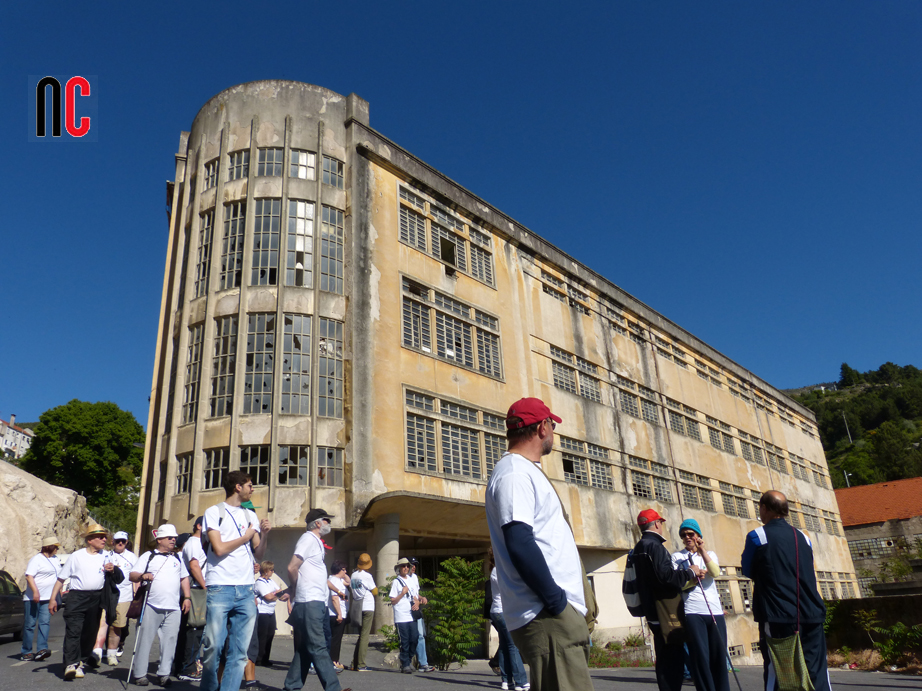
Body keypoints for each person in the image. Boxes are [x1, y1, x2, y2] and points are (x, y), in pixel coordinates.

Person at [484, 397, 592, 691]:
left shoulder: (521, 471)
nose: (553, 433)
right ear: (543, 427)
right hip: (547, 614)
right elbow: (520, 542)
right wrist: (557, 603)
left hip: (550, 614)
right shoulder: (515, 473)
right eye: (553, 426)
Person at [741, 491, 830, 691]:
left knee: (779, 673)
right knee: (816, 672)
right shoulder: (804, 537)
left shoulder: (758, 536)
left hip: (778, 616)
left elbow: (747, 570)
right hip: (812, 614)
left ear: (764, 508)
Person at [200, 471, 271, 691]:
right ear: (237, 487)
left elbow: (258, 554)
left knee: (240, 652)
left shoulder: (250, 515)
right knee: (214, 646)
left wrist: (264, 533)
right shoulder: (214, 512)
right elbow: (219, 549)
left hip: (246, 589)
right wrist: (246, 536)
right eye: (250, 485)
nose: (253, 489)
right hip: (220, 587)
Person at [631, 509, 703, 691]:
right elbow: (667, 578)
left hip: (651, 610)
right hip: (665, 612)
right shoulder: (655, 547)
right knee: (673, 661)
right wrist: (690, 571)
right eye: (661, 523)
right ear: (656, 524)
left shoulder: (639, 547)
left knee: (663, 660)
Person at [285, 508, 351, 691]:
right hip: (309, 601)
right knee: (319, 647)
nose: (329, 523)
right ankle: (334, 688)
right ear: (317, 523)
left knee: (305, 649)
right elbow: (292, 567)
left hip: (316, 602)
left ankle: (291, 686)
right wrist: (295, 589)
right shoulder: (308, 539)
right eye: (326, 520)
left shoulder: (316, 542)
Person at [49, 524, 124, 680]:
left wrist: (113, 570)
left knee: (89, 633)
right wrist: (53, 599)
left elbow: (118, 578)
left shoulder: (107, 556)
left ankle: (80, 662)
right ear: (90, 540)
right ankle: (71, 664)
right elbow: (61, 579)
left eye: (105, 536)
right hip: (77, 597)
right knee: (74, 631)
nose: (104, 539)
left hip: (96, 598)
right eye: (100, 537)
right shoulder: (77, 556)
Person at [129, 524, 191, 687]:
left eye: (174, 537)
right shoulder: (148, 556)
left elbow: (184, 578)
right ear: (159, 539)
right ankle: (140, 674)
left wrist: (187, 597)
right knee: (144, 640)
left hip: (173, 607)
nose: (173, 540)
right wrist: (143, 575)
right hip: (151, 604)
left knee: (170, 640)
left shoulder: (178, 558)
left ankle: (164, 674)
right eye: (170, 537)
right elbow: (132, 575)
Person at [671, 519, 728, 691]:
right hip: (693, 611)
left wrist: (702, 550)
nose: (687, 537)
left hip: (714, 611)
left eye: (691, 534)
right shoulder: (677, 557)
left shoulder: (709, 553)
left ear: (698, 536)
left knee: (719, 656)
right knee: (701, 658)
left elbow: (715, 573)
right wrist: (693, 580)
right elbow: (678, 585)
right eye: (684, 535)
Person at [19, 536, 62, 661]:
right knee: (30, 624)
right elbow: (29, 576)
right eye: (55, 547)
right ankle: (26, 651)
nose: (57, 549)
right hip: (33, 598)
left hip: (48, 598)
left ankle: (41, 649)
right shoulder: (36, 560)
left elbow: (59, 576)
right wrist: (35, 592)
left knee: (44, 623)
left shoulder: (55, 559)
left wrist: (59, 591)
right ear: (49, 547)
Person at [489, 558, 529, 691]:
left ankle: (506, 681)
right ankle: (521, 681)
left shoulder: (497, 570)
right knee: (513, 645)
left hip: (498, 611)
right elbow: (509, 589)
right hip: (502, 611)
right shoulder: (498, 571)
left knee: (504, 646)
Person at [177, 516, 207, 681]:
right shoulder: (194, 543)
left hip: (196, 589)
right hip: (196, 590)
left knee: (190, 630)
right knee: (194, 630)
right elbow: (195, 566)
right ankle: (188, 669)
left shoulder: (198, 543)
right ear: (199, 526)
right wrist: (205, 587)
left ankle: (182, 667)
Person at [103, 530, 138, 666]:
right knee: (105, 624)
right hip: (108, 595)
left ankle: (116, 648)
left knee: (119, 626)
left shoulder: (132, 557)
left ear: (127, 542)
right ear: (113, 542)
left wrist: (136, 593)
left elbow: (136, 577)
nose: (121, 543)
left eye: (123, 541)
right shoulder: (106, 555)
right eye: (118, 541)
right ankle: (104, 650)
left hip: (124, 596)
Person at [390, 558, 419, 674]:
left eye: (407, 566)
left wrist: (417, 603)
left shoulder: (412, 580)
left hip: (411, 614)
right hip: (401, 615)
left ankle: (409, 659)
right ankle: (405, 664)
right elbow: (393, 600)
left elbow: (416, 596)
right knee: (405, 640)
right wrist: (402, 593)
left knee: (414, 638)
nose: (406, 568)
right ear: (399, 568)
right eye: (403, 566)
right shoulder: (396, 582)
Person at [349, 553, 378, 672]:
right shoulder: (367, 576)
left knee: (361, 635)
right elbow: (375, 591)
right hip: (367, 606)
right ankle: (361, 664)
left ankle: (354, 663)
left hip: (357, 605)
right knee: (365, 636)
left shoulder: (353, 575)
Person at [407, 558, 434, 672]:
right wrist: (416, 601)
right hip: (407, 610)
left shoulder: (414, 577)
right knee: (409, 637)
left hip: (416, 609)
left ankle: (423, 664)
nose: (414, 567)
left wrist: (421, 598)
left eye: (415, 565)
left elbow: (416, 594)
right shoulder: (403, 579)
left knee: (421, 636)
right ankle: (407, 662)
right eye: (412, 564)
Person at [255, 561, 282, 666]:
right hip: (262, 612)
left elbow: (280, 593)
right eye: (271, 570)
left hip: (271, 610)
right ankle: (258, 658)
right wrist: (276, 595)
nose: (273, 572)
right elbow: (268, 597)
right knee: (262, 635)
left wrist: (276, 594)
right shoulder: (260, 582)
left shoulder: (271, 581)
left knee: (270, 634)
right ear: (266, 571)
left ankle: (266, 658)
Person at [327, 560, 350, 670]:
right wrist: (339, 614)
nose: (345, 571)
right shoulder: (334, 581)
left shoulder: (338, 580)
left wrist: (345, 574)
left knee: (336, 638)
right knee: (335, 639)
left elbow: (349, 582)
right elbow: (334, 598)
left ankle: (335, 660)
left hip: (338, 613)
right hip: (335, 613)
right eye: (343, 569)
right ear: (338, 570)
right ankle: (333, 661)